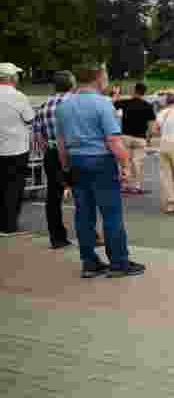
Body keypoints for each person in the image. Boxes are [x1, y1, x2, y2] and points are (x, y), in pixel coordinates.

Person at [55, 66, 145, 278]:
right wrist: (124, 165)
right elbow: (112, 140)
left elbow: (60, 142)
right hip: (100, 161)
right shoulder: (103, 104)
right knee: (111, 214)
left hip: (76, 160)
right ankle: (118, 262)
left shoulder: (64, 105)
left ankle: (89, 262)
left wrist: (66, 166)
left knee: (83, 214)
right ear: (98, 79)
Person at [31, 70, 76, 247]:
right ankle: (90, 234)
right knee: (83, 193)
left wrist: (48, 150)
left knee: (53, 196)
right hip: (72, 151)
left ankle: (57, 237)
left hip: (51, 151)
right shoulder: (73, 103)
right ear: (71, 84)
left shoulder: (44, 106)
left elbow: (37, 135)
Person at [0, 62, 35, 235]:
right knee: (14, 187)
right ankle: (9, 225)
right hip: (16, 148)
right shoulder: (18, 96)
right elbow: (30, 118)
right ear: (11, 78)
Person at [114, 83, 156, 195]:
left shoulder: (126, 103)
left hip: (126, 136)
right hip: (140, 137)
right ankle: (136, 186)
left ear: (134, 91)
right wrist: (148, 138)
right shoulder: (148, 106)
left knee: (124, 162)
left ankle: (124, 185)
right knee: (137, 162)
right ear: (144, 92)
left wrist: (117, 93)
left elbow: (112, 104)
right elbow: (152, 127)